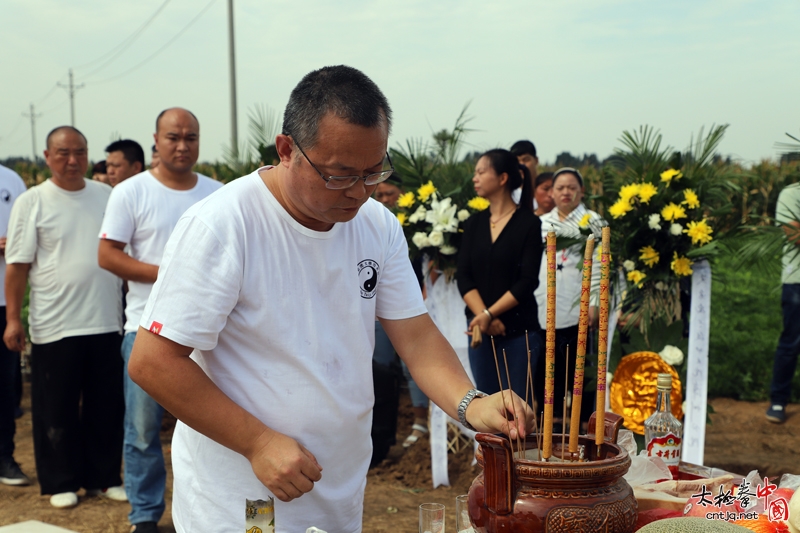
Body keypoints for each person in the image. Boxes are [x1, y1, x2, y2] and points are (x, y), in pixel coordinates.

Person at [127, 65, 531, 533]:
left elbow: (417, 338)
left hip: (338, 485)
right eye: (339, 175)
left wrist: (471, 403)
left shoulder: (376, 226)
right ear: (287, 150)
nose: (360, 192)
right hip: (246, 494)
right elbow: (153, 361)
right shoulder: (224, 226)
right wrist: (256, 441)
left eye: (373, 171)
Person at [98, 108, 221, 532]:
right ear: (156, 140)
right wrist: (173, 275)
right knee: (143, 432)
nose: (183, 145)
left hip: (210, 335)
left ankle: (206, 514)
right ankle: (146, 516)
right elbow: (108, 254)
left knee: (213, 429)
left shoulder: (219, 193)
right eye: (173, 137)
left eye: (191, 137)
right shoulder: (130, 192)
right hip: (145, 330)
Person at [3, 126, 125, 508]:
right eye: (63, 153)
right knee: (55, 406)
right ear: (47, 156)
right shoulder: (32, 201)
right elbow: (17, 266)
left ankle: (104, 477)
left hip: (105, 320)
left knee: (106, 405)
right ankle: (59, 481)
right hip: (55, 323)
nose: (72, 161)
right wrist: (13, 319)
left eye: (80, 152)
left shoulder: (107, 195)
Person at [457, 149, 544, 399]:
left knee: (516, 412)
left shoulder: (529, 223)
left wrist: (488, 313)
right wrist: (484, 317)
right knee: (486, 408)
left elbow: (527, 281)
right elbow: (463, 276)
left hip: (518, 332)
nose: (475, 178)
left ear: (503, 178)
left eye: (481, 172)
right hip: (480, 332)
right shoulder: (473, 224)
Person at [533, 167, 602, 425]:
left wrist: (595, 301)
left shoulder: (594, 222)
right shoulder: (540, 223)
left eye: (571, 187)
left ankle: (582, 430)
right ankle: (547, 429)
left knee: (580, 375)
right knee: (546, 375)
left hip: (579, 312)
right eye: (560, 187)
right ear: (551, 192)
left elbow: (600, 265)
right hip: (543, 311)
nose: (565, 192)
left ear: (581, 191)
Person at [371, 173, 429, 450]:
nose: (384, 200)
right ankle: (379, 434)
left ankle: (420, 422)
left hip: (412, 306)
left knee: (412, 364)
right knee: (379, 367)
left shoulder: (419, 226)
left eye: (390, 194)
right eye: (379, 195)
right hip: (375, 308)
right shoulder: (370, 225)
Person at [0, 164, 29, 487]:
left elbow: (24, 239)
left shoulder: (11, 180)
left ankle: (4, 456)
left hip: (3, 302)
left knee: (5, 387)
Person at [766, 181, 800, 423]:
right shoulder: (791, 194)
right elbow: (794, 233)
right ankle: (778, 399)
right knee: (792, 340)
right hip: (797, 279)